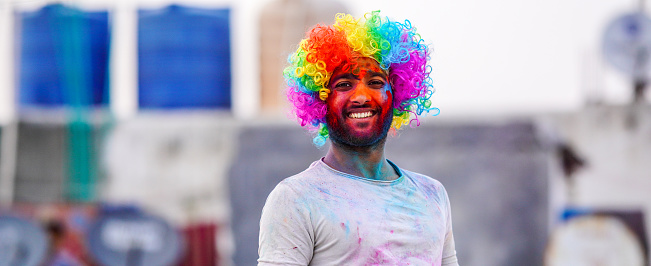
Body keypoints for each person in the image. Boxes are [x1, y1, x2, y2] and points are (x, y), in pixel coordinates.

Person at [258, 11, 458, 265]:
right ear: (321, 100)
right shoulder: (295, 199)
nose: (361, 96)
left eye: (375, 82)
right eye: (343, 84)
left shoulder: (433, 194)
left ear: (397, 95)